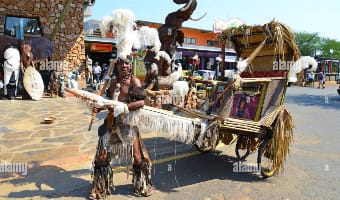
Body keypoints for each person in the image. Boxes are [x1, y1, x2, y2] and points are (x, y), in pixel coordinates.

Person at [89, 56, 152, 199]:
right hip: (111, 123)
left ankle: (143, 185)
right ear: (116, 66)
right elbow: (105, 101)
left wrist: (124, 107)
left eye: (126, 64)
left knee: (137, 157)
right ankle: (99, 188)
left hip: (128, 125)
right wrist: (97, 106)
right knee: (101, 157)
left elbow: (142, 102)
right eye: (121, 64)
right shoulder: (111, 82)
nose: (124, 66)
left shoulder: (133, 81)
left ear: (130, 66)